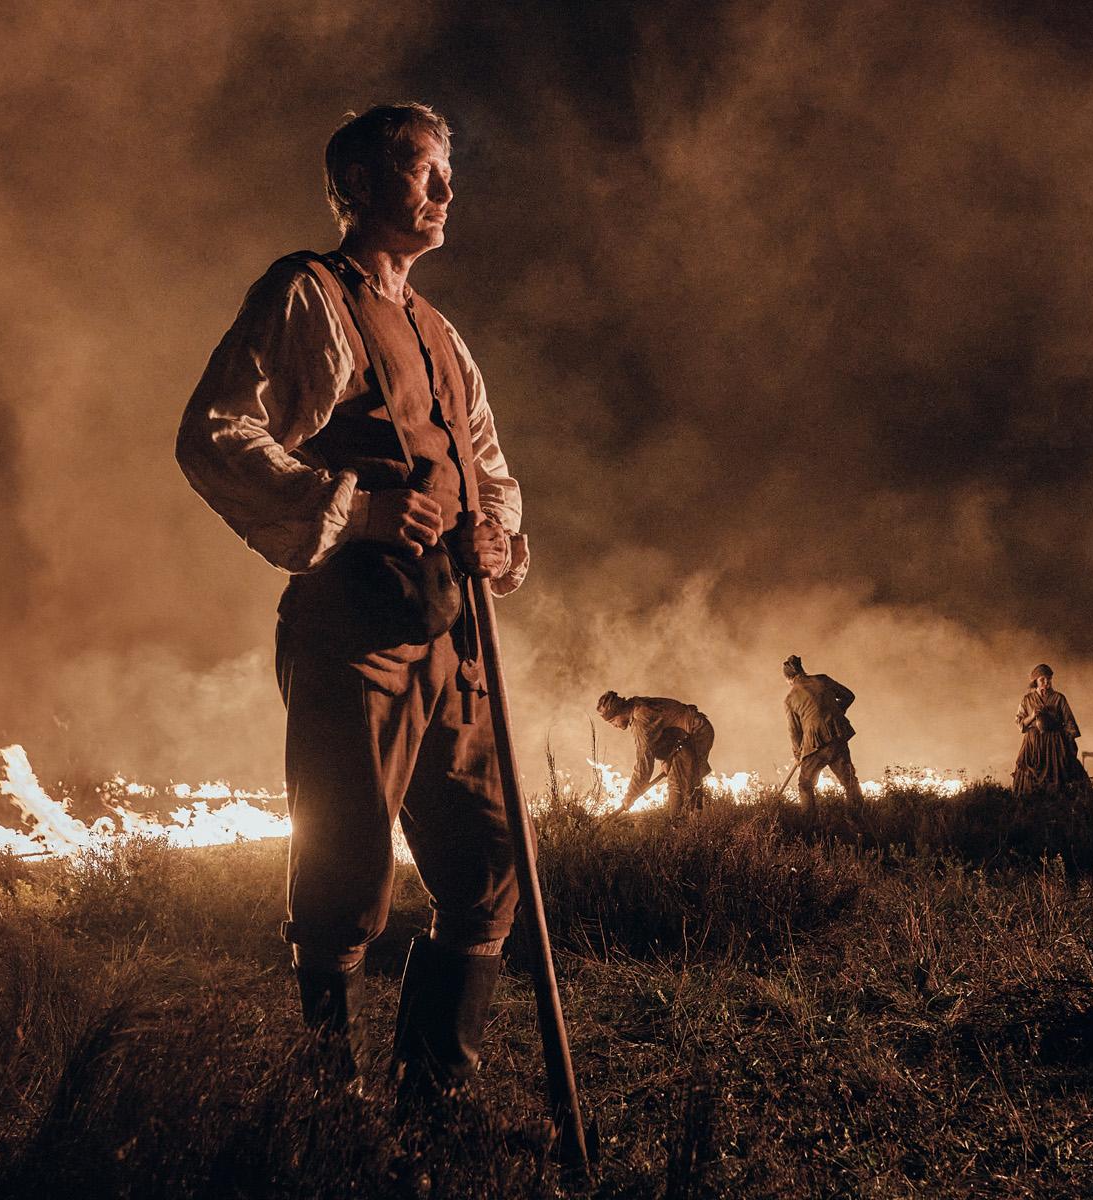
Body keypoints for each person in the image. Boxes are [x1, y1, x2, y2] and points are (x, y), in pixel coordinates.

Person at [176, 103, 528, 1097]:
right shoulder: (305, 293)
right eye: (424, 171)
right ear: (363, 185)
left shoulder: (437, 328)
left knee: (490, 860)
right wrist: (358, 512)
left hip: (453, 634)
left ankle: (432, 1088)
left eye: (445, 171)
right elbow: (213, 432)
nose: (444, 191)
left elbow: (486, 462)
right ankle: (323, 1095)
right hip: (350, 628)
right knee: (344, 871)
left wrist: (495, 530)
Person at [596, 691, 715, 816]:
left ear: (621, 711)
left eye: (612, 721)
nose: (614, 725)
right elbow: (662, 731)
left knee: (677, 782)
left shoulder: (640, 719)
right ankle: (698, 817)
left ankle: (680, 825)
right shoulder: (637, 704)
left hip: (696, 732)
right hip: (686, 735)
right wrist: (666, 761)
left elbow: (644, 763)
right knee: (688, 777)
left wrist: (631, 794)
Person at [782, 655, 863, 809]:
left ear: (789, 679)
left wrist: (798, 755)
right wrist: (837, 712)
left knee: (805, 785)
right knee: (850, 781)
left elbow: (794, 731)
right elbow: (848, 696)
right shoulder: (822, 680)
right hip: (837, 736)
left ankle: (809, 827)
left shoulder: (790, 698)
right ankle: (860, 816)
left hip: (815, 745)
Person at [1011, 664, 1087, 794]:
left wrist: (1068, 741)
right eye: (1042, 679)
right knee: (1028, 774)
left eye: (1049, 679)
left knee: (1058, 775)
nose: (1047, 682)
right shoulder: (1027, 700)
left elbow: (1069, 722)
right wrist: (1032, 716)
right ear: (1035, 681)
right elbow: (1020, 724)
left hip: (1055, 744)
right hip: (1033, 744)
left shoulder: (1058, 698)